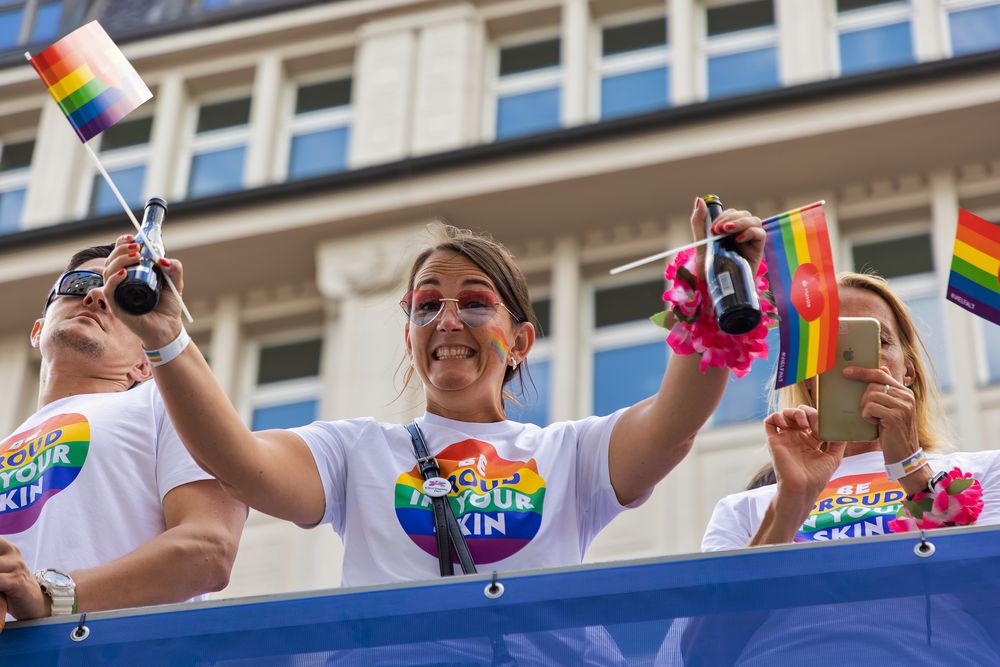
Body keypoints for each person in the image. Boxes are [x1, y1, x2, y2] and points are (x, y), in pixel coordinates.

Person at [101, 202, 764, 660]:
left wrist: (708, 301)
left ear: (520, 338)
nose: (447, 318)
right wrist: (165, 338)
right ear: (410, 333)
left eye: (475, 301)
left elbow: (676, 420)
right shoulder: (357, 450)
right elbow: (237, 458)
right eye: (426, 305)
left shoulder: (569, 453)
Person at [661, 272, 1000, 665]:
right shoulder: (746, 508)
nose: (852, 363)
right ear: (806, 375)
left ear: (907, 368)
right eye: (827, 347)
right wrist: (791, 503)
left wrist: (910, 467)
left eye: (878, 342)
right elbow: (702, 652)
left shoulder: (984, 471)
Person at [0, 244, 246, 630]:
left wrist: (49, 597)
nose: (96, 296)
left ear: (145, 363)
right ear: (38, 329)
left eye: (120, 297)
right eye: (78, 284)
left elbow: (209, 549)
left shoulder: (170, 404)